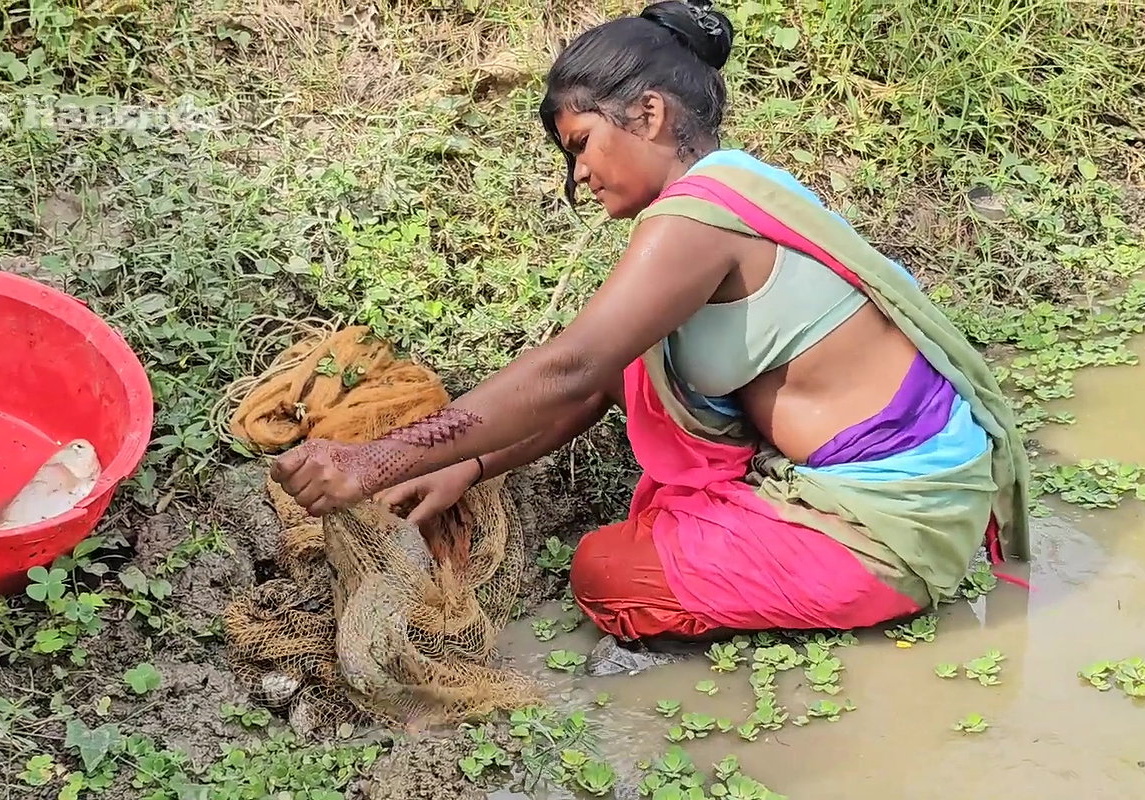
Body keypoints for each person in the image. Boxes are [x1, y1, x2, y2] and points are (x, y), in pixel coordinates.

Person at [271, 0, 1031, 656]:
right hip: (915, 496)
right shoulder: (736, 190)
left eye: (580, 146)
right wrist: (470, 466)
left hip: (889, 526)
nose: (578, 178)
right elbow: (600, 379)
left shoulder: (697, 219)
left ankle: (854, 592)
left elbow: (568, 370)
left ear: (650, 114)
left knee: (607, 574)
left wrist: (376, 461)